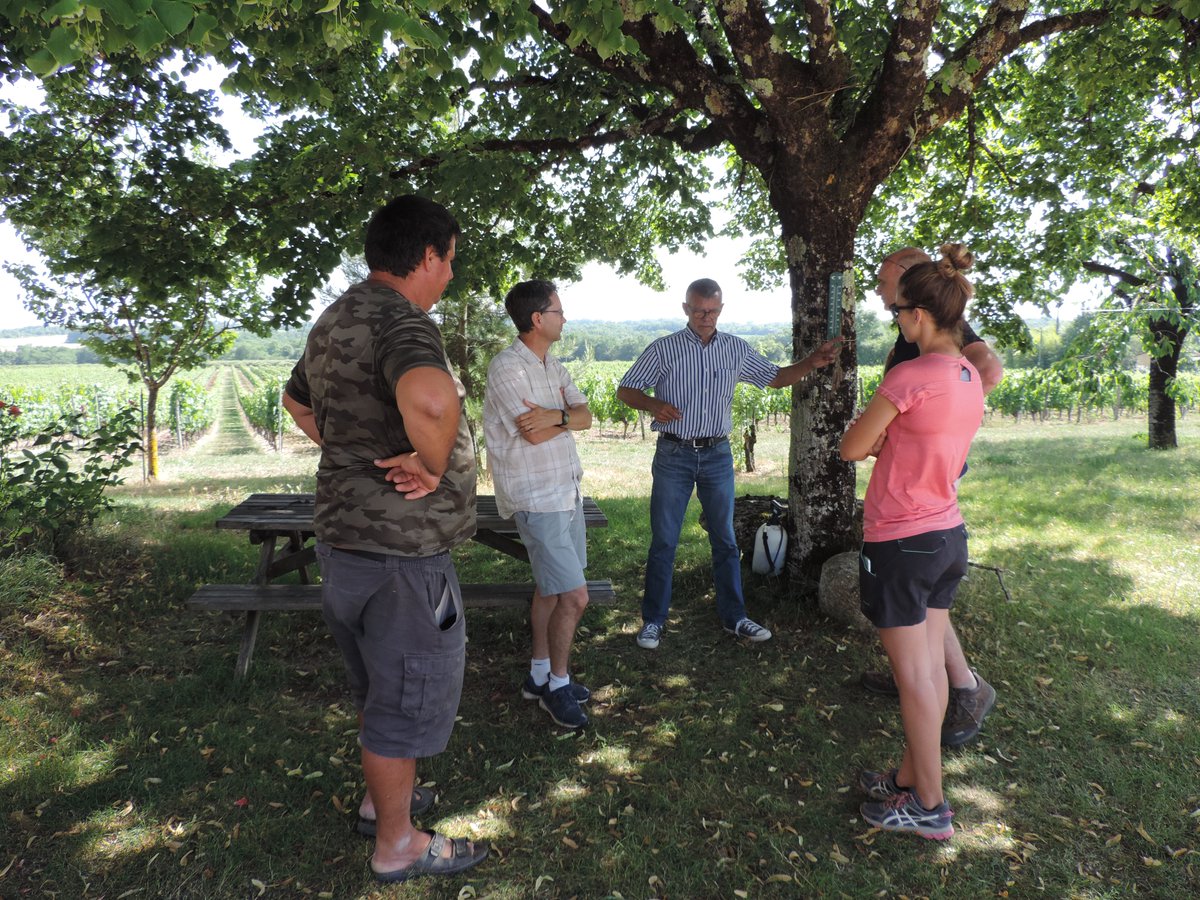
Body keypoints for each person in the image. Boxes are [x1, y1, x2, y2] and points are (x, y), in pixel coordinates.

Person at [282, 195, 488, 884]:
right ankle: (398, 845)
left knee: (380, 688)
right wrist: (431, 465)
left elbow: (297, 402)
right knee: (404, 699)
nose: (450, 276)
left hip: (343, 543)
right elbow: (429, 399)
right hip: (402, 557)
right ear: (427, 256)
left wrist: (354, 449)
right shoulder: (404, 323)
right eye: (450, 261)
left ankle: (382, 803)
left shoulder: (335, 318)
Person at [840, 243, 985, 840]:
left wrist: (880, 435)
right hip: (947, 534)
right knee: (925, 671)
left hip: (902, 540)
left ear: (918, 316)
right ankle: (907, 777)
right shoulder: (970, 374)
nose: (896, 320)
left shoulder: (910, 374)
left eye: (898, 312)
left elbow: (852, 446)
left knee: (917, 680)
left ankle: (930, 804)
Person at [617, 278, 840, 649]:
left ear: (721, 309)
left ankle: (734, 617)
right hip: (674, 453)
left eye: (713, 310)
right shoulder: (664, 349)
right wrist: (654, 405)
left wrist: (812, 361)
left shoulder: (735, 349)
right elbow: (626, 390)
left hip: (717, 454)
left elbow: (775, 378)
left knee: (725, 539)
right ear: (685, 308)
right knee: (664, 542)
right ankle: (654, 621)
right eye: (699, 309)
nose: (706, 316)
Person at [860, 246, 1001, 748]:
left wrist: (934, 434)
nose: (882, 296)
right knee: (923, 627)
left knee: (918, 658)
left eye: (888, 290)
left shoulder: (933, 357)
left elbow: (854, 444)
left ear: (913, 296)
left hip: (910, 514)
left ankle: (960, 690)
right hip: (942, 521)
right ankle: (932, 692)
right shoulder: (933, 355)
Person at [483, 280, 595, 729]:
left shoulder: (553, 366)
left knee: (551, 589)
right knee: (575, 596)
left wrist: (558, 417)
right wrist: (561, 418)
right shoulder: (508, 368)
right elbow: (530, 431)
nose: (564, 318)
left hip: (567, 491)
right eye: (559, 311)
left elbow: (587, 417)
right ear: (537, 319)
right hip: (537, 497)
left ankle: (538, 675)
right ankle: (558, 686)